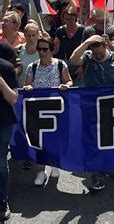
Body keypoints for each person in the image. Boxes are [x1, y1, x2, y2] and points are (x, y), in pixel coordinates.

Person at [70, 35, 114, 192]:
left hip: (112, 107)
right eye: (95, 53)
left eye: (101, 53)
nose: (98, 56)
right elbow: (74, 59)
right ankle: (96, 175)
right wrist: (87, 42)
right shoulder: (88, 58)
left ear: (106, 47)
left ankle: (107, 166)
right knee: (93, 141)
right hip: (91, 106)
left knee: (109, 139)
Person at [23, 35, 72, 186]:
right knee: (38, 141)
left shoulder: (60, 65)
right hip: (37, 110)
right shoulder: (33, 67)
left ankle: (55, 164)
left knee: (55, 138)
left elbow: (69, 80)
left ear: (52, 50)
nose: (42, 52)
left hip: (55, 109)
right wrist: (28, 87)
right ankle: (40, 171)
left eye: (45, 49)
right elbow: (27, 84)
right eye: (39, 49)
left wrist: (67, 85)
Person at [0, 49, 19, 221]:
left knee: (0, 163)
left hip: (2, 122)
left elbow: (14, 98)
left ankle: (2, 201)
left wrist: (1, 82)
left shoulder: (6, 68)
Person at [53, 7, 85, 81]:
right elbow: (56, 50)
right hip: (64, 65)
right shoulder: (60, 31)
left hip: (79, 65)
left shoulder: (83, 30)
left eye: (70, 19)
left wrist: (84, 66)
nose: (68, 21)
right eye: (66, 19)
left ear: (75, 18)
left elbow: (87, 51)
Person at [17, 23, 40, 87]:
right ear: (24, 35)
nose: (31, 38)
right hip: (21, 87)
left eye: (33, 35)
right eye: (28, 36)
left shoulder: (43, 50)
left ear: (38, 35)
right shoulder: (18, 49)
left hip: (38, 88)